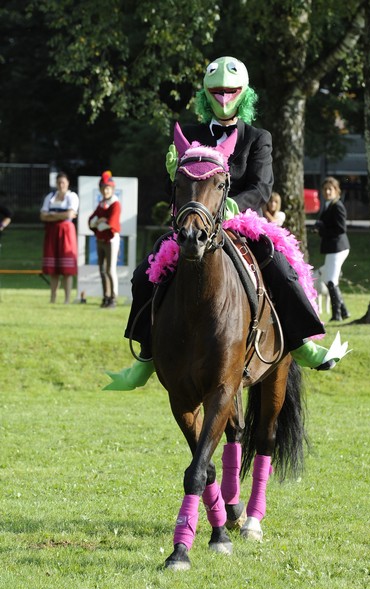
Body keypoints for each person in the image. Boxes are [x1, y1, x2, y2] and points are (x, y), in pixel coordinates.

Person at [105, 56, 349, 391]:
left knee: (279, 264)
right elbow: (175, 189)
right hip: (196, 222)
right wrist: (172, 173)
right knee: (143, 273)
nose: (223, 97)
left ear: (243, 93)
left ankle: (301, 342)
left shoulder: (257, 137)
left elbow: (262, 185)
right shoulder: (187, 134)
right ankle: (146, 356)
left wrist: (233, 206)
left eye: (229, 91)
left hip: (242, 223)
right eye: (216, 91)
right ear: (206, 94)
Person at [314, 176, 350, 321]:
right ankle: (344, 311)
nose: (328, 192)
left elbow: (341, 229)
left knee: (330, 280)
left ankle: (337, 315)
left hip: (338, 247)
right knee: (327, 277)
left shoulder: (337, 206)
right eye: (326, 189)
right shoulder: (329, 205)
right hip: (333, 248)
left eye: (331, 189)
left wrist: (322, 229)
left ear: (336, 191)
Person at [40, 172, 79, 304]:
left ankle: (67, 299)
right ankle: (53, 298)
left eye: (63, 182)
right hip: (52, 233)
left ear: (67, 183)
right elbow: (42, 216)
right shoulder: (50, 197)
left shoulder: (72, 196)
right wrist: (62, 215)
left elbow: (70, 214)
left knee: (66, 269)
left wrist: (52, 215)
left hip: (66, 233)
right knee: (54, 269)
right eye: (59, 182)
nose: (61, 185)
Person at [88, 171, 121, 308]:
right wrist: (99, 221)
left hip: (111, 240)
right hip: (100, 240)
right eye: (103, 188)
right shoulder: (102, 204)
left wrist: (100, 222)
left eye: (108, 188)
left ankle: (113, 297)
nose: (105, 191)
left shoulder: (115, 204)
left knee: (110, 269)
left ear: (112, 189)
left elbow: (111, 223)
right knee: (102, 270)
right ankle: (105, 296)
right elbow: (91, 221)